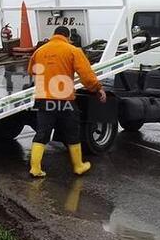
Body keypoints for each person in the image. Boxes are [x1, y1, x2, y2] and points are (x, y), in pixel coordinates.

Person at [27, 26, 106, 177]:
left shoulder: (40, 51)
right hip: (65, 101)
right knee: (72, 132)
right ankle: (78, 166)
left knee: (42, 132)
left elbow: (32, 71)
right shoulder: (73, 50)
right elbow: (87, 75)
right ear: (68, 37)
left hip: (43, 99)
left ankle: (35, 168)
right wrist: (97, 88)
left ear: (53, 35)